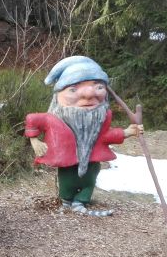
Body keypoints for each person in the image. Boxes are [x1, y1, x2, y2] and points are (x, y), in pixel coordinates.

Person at [24, 56, 142, 217]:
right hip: (67, 161)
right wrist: (34, 140)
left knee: (90, 180)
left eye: (98, 87)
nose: (88, 95)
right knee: (67, 179)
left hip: (92, 160)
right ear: (59, 94)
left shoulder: (101, 117)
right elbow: (32, 119)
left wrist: (127, 132)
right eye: (73, 89)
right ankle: (66, 200)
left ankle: (81, 201)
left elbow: (105, 136)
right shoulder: (53, 118)